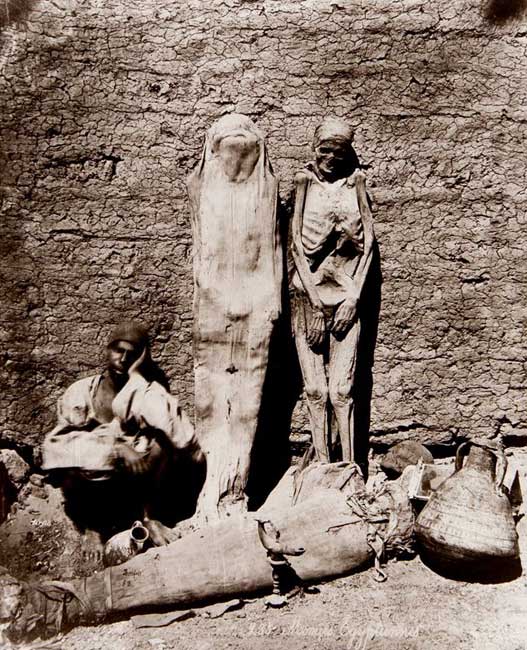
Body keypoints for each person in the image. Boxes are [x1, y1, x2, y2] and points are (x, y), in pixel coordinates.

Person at [42, 321, 202, 562]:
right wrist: (116, 448)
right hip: (92, 478)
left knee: (163, 443)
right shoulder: (82, 392)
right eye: (118, 350)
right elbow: (59, 443)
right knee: (74, 455)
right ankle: (92, 527)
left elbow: (178, 434)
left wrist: (138, 378)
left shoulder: (143, 393)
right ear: (107, 350)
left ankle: (150, 516)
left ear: (142, 358)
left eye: (133, 354)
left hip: (132, 479)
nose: (123, 359)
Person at [290, 117, 375, 464]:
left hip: (346, 297)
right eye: (325, 150)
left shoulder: (356, 183)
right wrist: (311, 302)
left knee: (342, 391)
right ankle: (321, 470)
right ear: (315, 149)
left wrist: (354, 299)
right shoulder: (304, 182)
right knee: (315, 390)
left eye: (339, 152)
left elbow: (368, 243)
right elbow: (296, 245)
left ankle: (350, 470)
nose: (331, 158)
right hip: (308, 296)